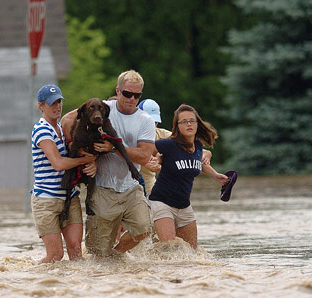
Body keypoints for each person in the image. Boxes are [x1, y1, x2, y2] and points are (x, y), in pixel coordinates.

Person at [61, 70, 156, 257]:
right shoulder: (103, 107)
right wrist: (84, 153)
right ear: (118, 91)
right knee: (98, 253)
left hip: (130, 187)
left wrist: (113, 148)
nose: (132, 99)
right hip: (102, 188)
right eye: (127, 94)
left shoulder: (145, 120)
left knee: (144, 229)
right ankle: (107, 266)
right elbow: (66, 120)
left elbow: (145, 156)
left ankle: (117, 255)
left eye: (137, 95)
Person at [30, 84, 97, 263]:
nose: (57, 106)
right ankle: (31, 280)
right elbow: (59, 163)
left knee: (76, 251)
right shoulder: (41, 130)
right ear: (41, 106)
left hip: (70, 196)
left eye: (59, 102)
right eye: (52, 103)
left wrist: (93, 164)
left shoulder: (62, 127)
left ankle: (75, 290)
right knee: (55, 255)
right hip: (46, 201)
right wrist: (86, 160)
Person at [148, 104, 229, 248]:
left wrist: (216, 176)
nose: (189, 124)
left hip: (184, 206)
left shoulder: (197, 146)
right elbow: (145, 151)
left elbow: (199, 163)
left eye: (192, 121)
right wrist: (154, 160)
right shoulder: (168, 144)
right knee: (169, 249)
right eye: (184, 121)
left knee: (192, 253)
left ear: (198, 124)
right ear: (177, 126)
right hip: (162, 202)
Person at [138, 98, 214, 196]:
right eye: (148, 121)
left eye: (155, 122)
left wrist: (206, 153)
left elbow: (189, 148)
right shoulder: (129, 134)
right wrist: (146, 162)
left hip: (149, 189)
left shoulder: (163, 134)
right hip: (128, 187)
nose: (152, 126)